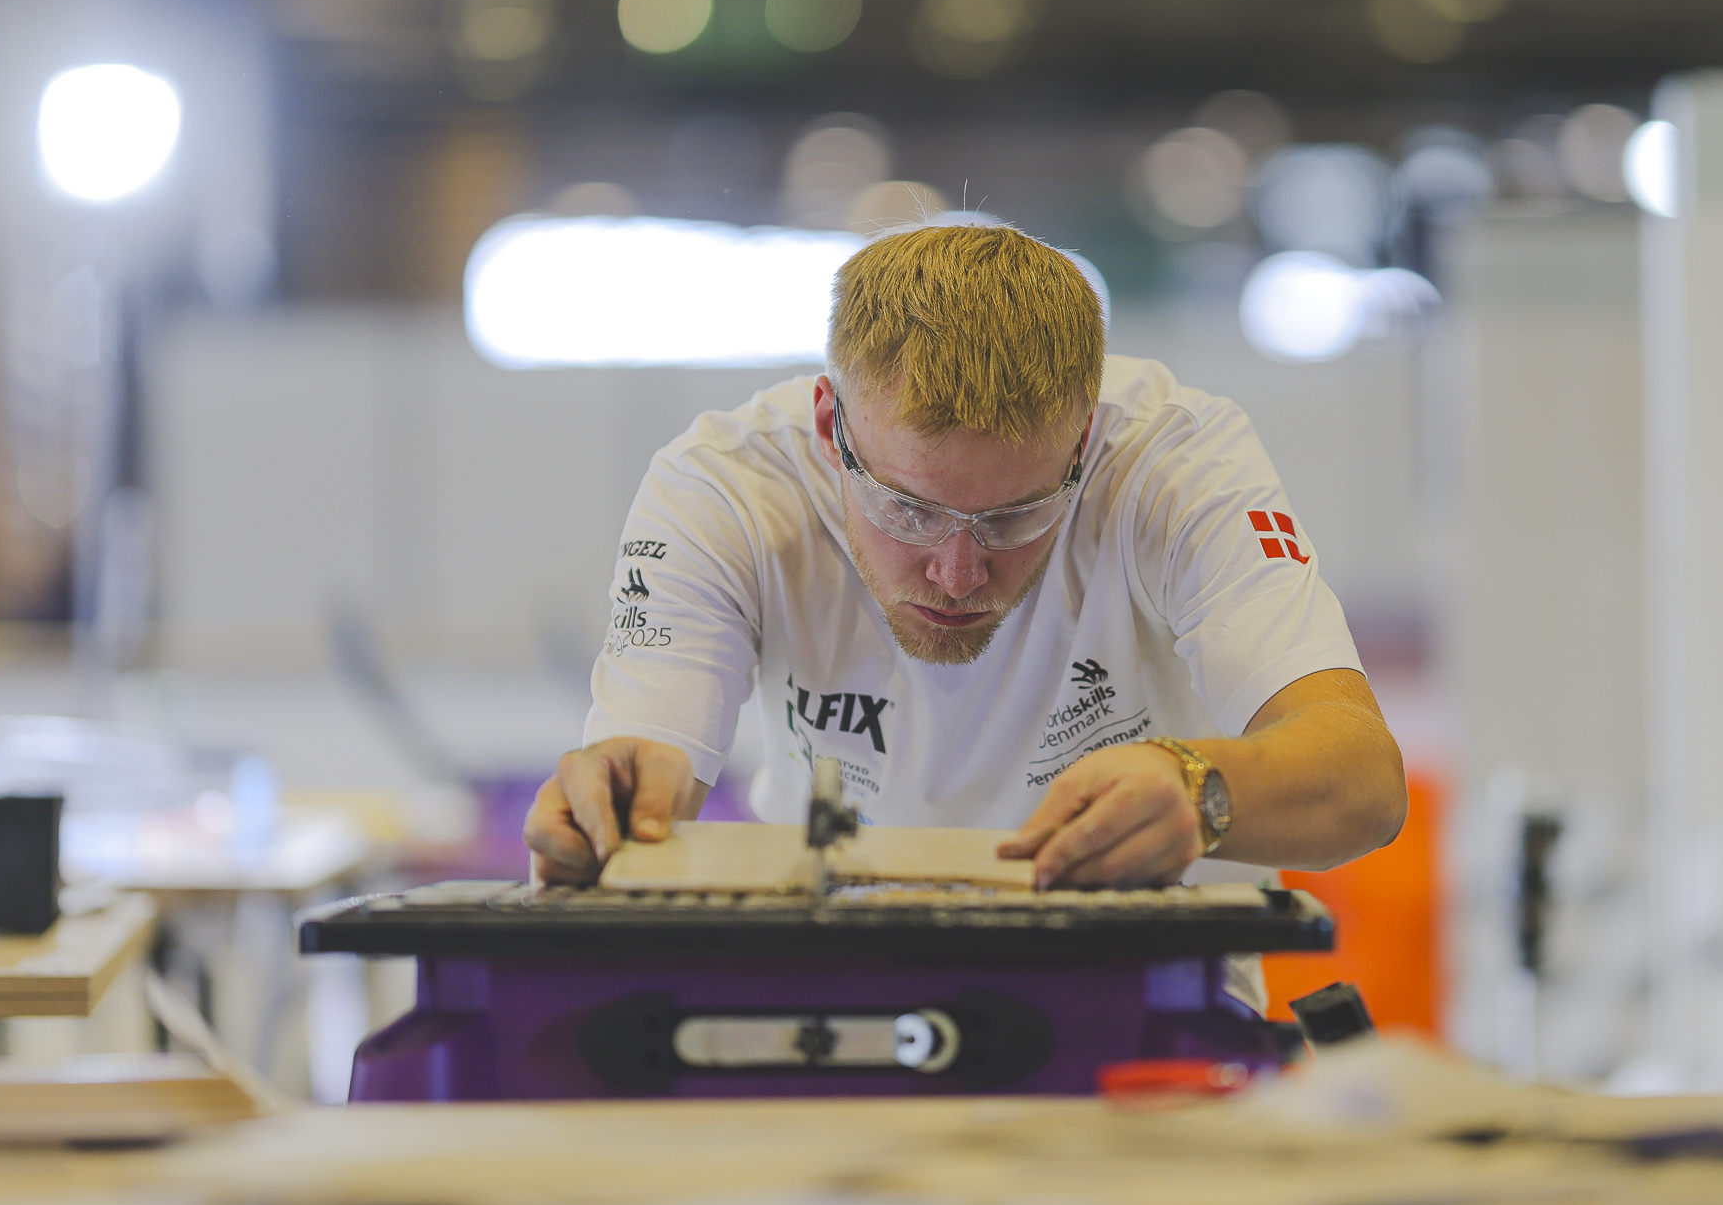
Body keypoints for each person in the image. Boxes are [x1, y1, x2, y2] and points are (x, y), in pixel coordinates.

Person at [525, 220, 1407, 901]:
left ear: (1084, 441)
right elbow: (650, 767)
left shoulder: (1176, 465)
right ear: (831, 427)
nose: (956, 572)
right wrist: (607, 802)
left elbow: (1362, 780)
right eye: (907, 508)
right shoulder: (723, 487)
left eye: (1016, 515)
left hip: (1143, 1001)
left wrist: (1198, 785)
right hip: (842, 977)